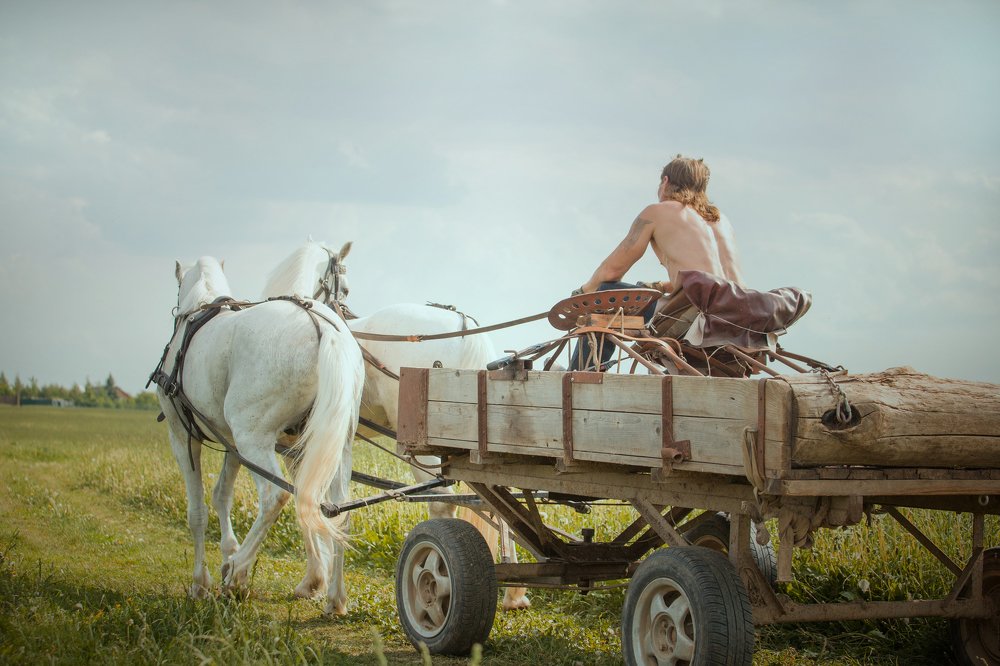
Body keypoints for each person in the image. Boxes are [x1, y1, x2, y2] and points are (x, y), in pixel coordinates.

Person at [570, 155, 745, 370]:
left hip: (693, 315)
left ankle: (579, 376)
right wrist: (660, 285)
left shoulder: (657, 212)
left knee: (604, 296)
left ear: (665, 182)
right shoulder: (720, 220)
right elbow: (711, 279)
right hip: (737, 313)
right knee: (635, 294)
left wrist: (584, 292)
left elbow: (612, 271)